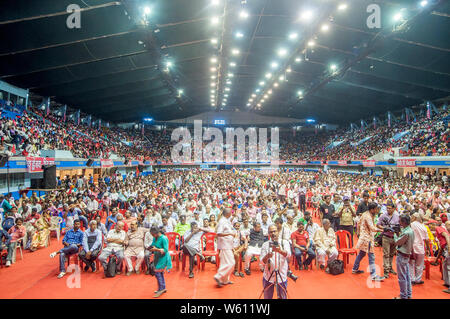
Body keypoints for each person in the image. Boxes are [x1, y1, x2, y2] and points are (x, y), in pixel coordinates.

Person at [352, 203, 385, 281]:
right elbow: (372, 228)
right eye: (376, 209)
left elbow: (359, 223)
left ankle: (354, 269)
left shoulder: (365, 214)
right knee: (371, 257)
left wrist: (359, 232)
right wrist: (382, 230)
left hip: (365, 237)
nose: (377, 210)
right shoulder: (367, 216)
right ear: (372, 209)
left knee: (361, 254)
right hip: (367, 239)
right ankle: (373, 275)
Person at [260, 225, 291, 299]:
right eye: (271, 232)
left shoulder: (284, 243)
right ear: (268, 234)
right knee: (267, 297)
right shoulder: (265, 245)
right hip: (268, 276)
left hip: (281, 276)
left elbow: (288, 255)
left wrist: (279, 251)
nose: (273, 233)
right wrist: (267, 256)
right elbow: (262, 261)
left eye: (274, 231)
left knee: (283, 297)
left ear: (278, 232)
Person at [393, 214, 415, 299]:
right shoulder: (410, 230)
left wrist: (395, 234)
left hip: (402, 255)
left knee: (402, 277)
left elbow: (397, 242)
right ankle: (408, 294)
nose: (399, 222)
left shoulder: (406, 232)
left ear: (404, 222)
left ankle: (403, 295)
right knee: (407, 276)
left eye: (400, 221)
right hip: (407, 255)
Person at [376, 201, 400, 278]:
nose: (388, 210)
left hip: (394, 237)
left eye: (390, 208)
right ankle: (386, 270)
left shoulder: (397, 216)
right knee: (386, 254)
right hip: (386, 237)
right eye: (387, 208)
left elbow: (399, 226)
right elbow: (378, 225)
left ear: (393, 208)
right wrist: (384, 228)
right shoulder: (383, 216)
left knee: (392, 254)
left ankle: (390, 267)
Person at [213, 207, 236, 287]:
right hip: (225, 245)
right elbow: (219, 233)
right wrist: (230, 234)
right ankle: (218, 276)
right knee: (231, 263)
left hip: (228, 245)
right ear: (228, 214)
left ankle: (225, 280)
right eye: (231, 213)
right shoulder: (222, 221)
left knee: (225, 263)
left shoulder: (226, 220)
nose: (232, 214)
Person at [149, 226, 172, 298]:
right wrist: (150, 248)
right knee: (159, 273)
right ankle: (162, 287)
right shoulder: (154, 238)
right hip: (157, 257)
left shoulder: (164, 238)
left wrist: (156, 250)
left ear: (157, 233)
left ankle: (161, 288)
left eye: (153, 234)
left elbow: (165, 250)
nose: (152, 236)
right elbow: (153, 245)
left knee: (157, 273)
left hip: (163, 257)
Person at [409, 213, 430, 285]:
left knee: (411, 263)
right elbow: (427, 240)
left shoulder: (411, 224)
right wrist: (428, 249)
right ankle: (418, 279)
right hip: (420, 248)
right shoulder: (424, 227)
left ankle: (412, 279)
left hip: (412, 247)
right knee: (419, 265)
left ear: (414, 217)